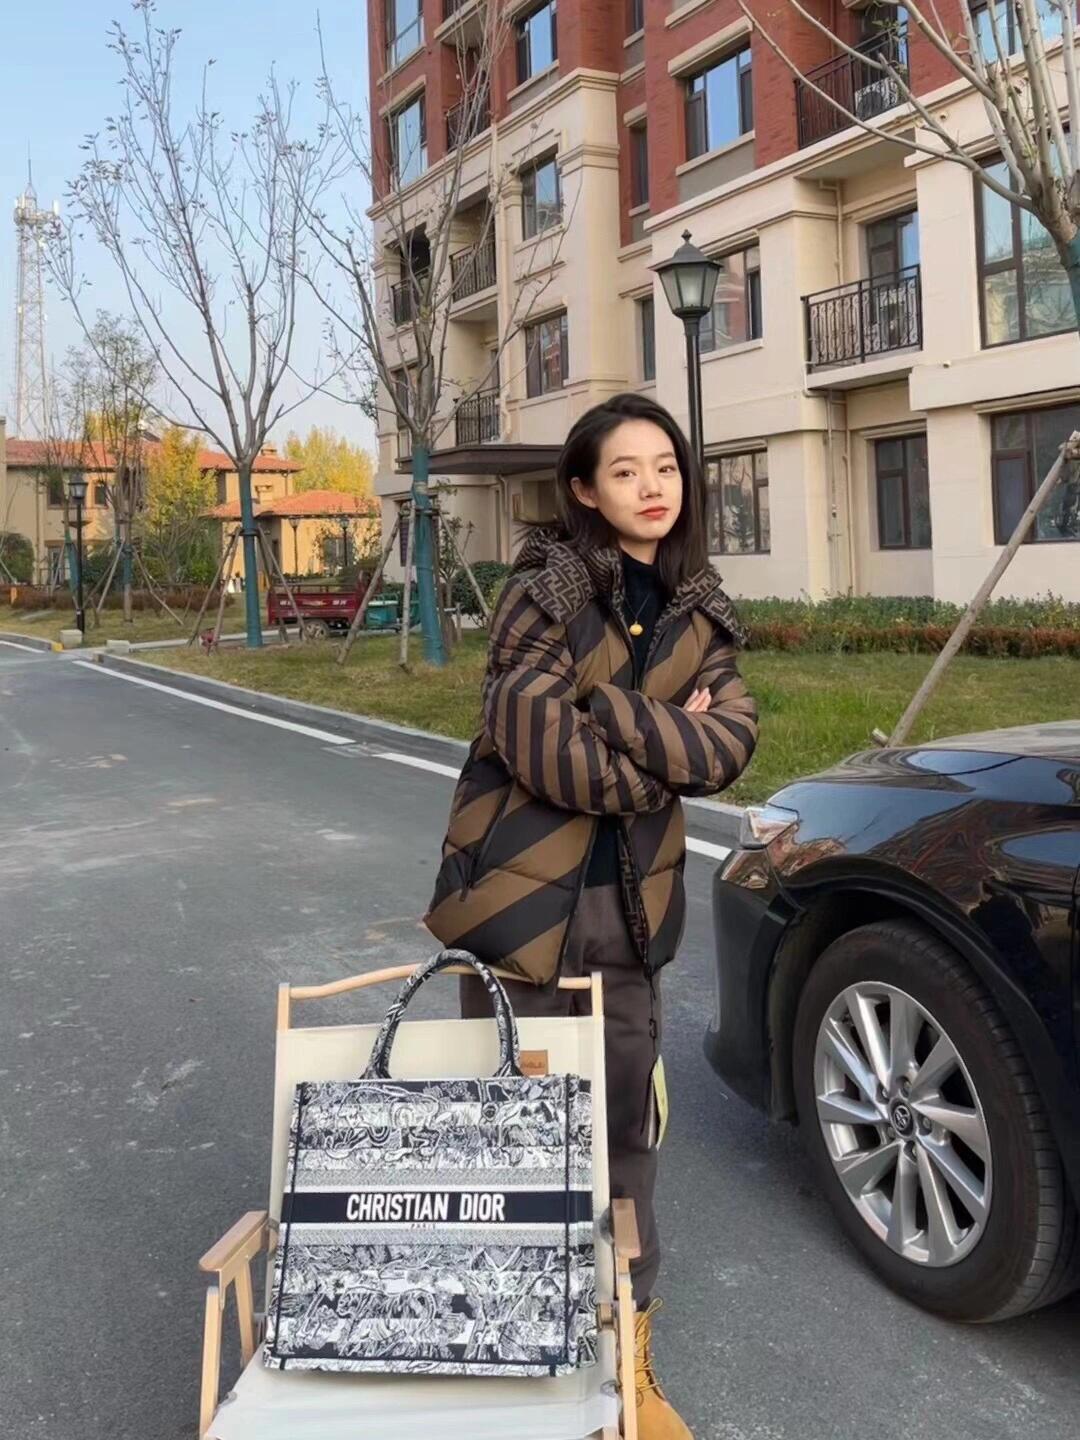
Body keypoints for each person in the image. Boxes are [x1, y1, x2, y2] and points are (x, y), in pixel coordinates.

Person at [425, 392, 758, 1439]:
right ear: (583, 487)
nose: (652, 487)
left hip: (632, 916)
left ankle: (627, 1364)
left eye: (666, 466)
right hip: (524, 910)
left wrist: (607, 709)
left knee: (624, 1138)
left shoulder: (704, 610)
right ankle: (516, 1358)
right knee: (516, 1137)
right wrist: (659, 750)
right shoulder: (546, 590)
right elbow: (534, 739)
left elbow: (730, 745)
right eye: (625, 470)